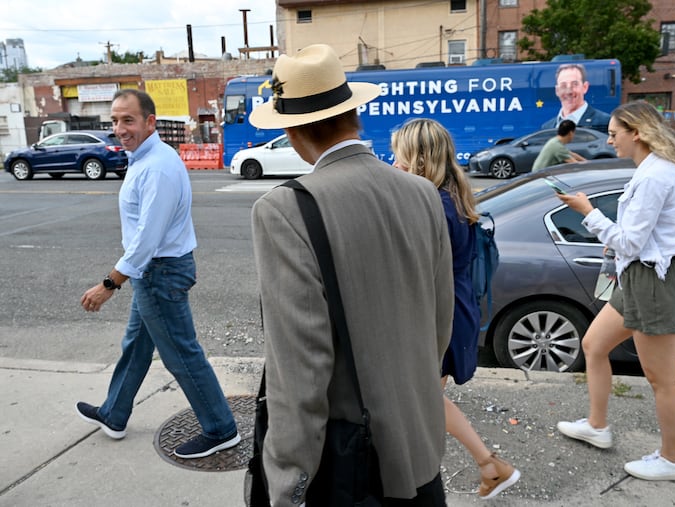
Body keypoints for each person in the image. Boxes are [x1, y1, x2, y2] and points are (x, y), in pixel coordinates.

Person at [249, 44, 453, 505]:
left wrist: (287, 486)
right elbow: (439, 325)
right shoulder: (422, 192)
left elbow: (299, 371)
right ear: (353, 115)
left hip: (350, 469)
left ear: (293, 131)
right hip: (420, 451)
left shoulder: (286, 209)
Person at [76, 89, 240, 459]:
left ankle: (220, 428)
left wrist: (109, 284)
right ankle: (114, 414)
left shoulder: (158, 167)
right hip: (153, 272)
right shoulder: (143, 157)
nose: (120, 128)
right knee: (136, 346)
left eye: (128, 120)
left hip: (159, 273)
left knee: (182, 353)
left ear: (150, 122)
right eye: (115, 120)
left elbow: (147, 238)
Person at [555, 101, 675, 481]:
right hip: (641, 278)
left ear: (636, 132)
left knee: (662, 380)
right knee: (593, 345)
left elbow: (631, 242)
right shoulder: (656, 170)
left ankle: (672, 461)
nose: (609, 140)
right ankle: (597, 425)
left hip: (656, 282)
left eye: (614, 133)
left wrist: (587, 210)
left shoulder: (655, 176)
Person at [391, 118, 521, 500]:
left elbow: (416, 271)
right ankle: (487, 466)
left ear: (417, 160)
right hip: (454, 309)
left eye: (398, 155)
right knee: (428, 399)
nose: (393, 163)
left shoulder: (433, 205)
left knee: (423, 398)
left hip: (439, 316)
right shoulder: (451, 194)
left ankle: (479, 467)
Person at [542, 63, 611, 133]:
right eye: (563, 85)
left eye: (575, 84)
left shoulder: (605, 123)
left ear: (585, 87)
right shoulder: (547, 128)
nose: (569, 92)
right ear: (557, 91)